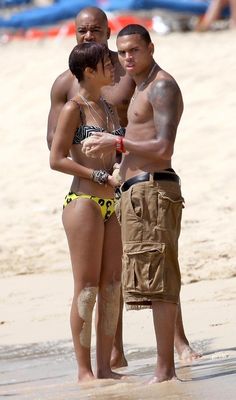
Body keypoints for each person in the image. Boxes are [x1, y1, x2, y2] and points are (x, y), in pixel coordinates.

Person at [47, 6, 200, 367]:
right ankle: (95, 366)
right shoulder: (67, 86)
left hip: (129, 186)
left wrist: (120, 151)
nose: (89, 35)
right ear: (76, 33)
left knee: (128, 275)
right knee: (91, 287)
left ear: (107, 30)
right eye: (82, 30)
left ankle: (161, 347)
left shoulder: (123, 70)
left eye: (96, 29)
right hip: (89, 192)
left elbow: (145, 119)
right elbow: (54, 145)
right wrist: (97, 162)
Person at [81, 24, 194, 383]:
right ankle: (165, 367)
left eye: (135, 50)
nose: (128, 57)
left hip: (154, 191)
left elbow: (164, 147)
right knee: (147, 279)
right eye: (123, 51)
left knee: (159, 281)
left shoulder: (161, 86)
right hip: (136, 192)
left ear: (150, 47)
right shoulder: (140, 85)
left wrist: (117, 145)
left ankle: (165, 371)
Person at [50, 42, 126, 381]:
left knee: (112, 285)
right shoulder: (73, 109)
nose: (113, 67)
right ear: (89, 72)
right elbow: (56, 158)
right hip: (84, 203)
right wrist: (97, 174)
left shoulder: (108, 106)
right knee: (87, 287)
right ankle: (84, 371)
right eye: (106, 63)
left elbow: (119, 150)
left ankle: (105, 368)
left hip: (113, 201)